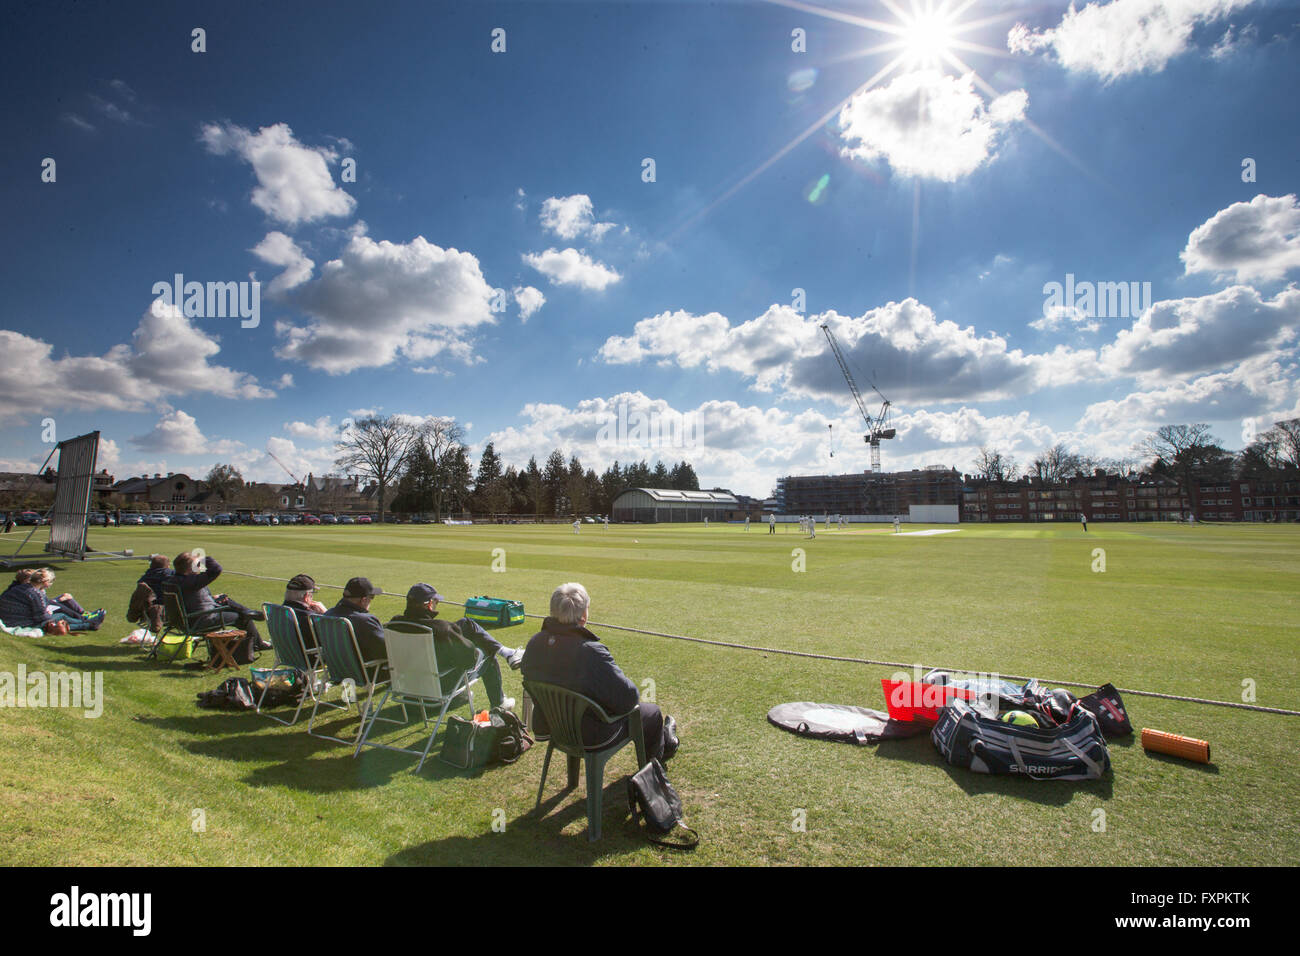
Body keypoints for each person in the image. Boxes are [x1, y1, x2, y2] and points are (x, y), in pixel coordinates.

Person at [521, 582, 674, 761]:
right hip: (592, 735)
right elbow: (629, 698)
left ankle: (668, 739)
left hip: (555, 728)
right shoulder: (591, 651)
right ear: (583, 616)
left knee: (650, 717)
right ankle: (657, 762)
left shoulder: (535, 643)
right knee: (652, 712)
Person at [387, 583, 520, 709]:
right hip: (438, 687)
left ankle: (507, 652)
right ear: (429, 605)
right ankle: (499, 703)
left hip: (407, 685)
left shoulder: (394, 624)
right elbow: (470, 659)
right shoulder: (441, 629)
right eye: (436, 602)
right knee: (486, 651)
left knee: (466, 623)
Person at [173, 551, 268, 649]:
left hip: (185, 620)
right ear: (190, 568)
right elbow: (216, 569)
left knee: (223, 599)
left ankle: (248, 612)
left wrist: (212, 599)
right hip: (201, 620)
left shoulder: (173, 580)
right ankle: (258, 643)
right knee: (243, 617)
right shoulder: (191, 581)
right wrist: (203, 558)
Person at [1, 568, 104, 632]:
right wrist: (48, 614)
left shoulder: (21, 588)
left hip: (10, 619)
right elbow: (40, 617)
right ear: (44, 581)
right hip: (21, 621)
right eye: (50, 581)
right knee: (60, 616)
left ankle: (87, 622)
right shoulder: (34, 593)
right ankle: (88, 623)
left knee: (59, 614)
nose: (51, 584)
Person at [321, 576, 388, 666]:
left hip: (338, 670)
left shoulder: (328, 615)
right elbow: (386, 651)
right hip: (367, 674)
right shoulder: (365, 621)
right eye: (371, 597)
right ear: (364, 600)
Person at [283, 573, 327, 649]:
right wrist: (325, 614)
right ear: (306, 596)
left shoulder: (277, 612)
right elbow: (333, 639)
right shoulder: (309, 618)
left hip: (287, 656)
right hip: (311, 658)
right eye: (312, 594)